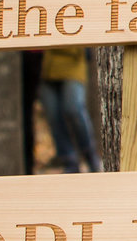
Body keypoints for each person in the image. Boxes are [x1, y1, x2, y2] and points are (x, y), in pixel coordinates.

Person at [39, 45, 101, 173]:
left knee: (73, 109)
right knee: (53, 116)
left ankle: (90, 155)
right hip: (47, 69)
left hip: (73, 66)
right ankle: (69, 159)